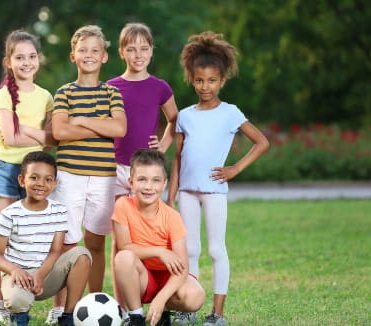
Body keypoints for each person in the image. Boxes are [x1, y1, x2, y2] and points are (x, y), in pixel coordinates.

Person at [167, 31, 270, 326]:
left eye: (212, 81)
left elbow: (262, 142)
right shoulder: (185, 115)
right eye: (199, 80)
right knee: (190, 249)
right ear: (191, 78)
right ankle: (189, 307)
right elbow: (177, 158)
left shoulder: (230, 113)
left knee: (215, 249)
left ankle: (218, 314)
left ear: (222, 81)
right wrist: (170, 195)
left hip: (214, 191)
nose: (205, 86)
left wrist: (234, 170)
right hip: (186, 191)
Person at [46, 25, 127, 323]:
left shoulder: (112, 93)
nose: (89, 55)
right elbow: (58, 131)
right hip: (70, 175)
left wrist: (79, 121)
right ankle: (61, 307)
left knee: (95, 243)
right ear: (73, 56)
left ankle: (96, 303)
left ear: (105, 56)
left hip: (104, 177)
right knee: (67, 243)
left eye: (95, 50)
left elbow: (119, 128)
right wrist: (96, 122)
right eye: (83, 50)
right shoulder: (64, 92)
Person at [0, 29, 57, 324]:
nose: (26, 62)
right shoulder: (4, 94)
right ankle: (0, 302)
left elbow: (54, 139)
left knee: (31, 237)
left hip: (33, 170)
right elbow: (11, 140)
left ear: (39, 59)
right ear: (8, 61)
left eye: (32, 56)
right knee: (5, 238)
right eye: (19, 57)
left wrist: (28, 133)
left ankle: (21, 297)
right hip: (4, 169)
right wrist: (38, 137)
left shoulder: (46, 96)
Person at [0, 151, 92, 326]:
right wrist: (15, 270)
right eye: (34, 178)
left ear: (54, 183)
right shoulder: (9, 214)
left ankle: (68, 316)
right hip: (18, 276)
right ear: (22, 180)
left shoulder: (59, 211)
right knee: (16, 300)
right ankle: (20, 316)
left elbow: (55, 251)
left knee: (82, 255)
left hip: (47, 275)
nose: (41, 184)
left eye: (47, 179)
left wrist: (40, 274)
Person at [113, 149, 205, 326]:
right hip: (141, 277)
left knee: (196, 297)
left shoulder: (172, 217)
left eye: (156, 180)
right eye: (142, 179)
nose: (149, 187)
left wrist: (161, 299)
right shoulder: (123, 205)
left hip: (167, 278)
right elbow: (125, 246)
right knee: (123, 257)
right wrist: (159, 251)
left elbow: (182, 267)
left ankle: (162, 311)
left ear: (164, 184)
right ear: (131, 182)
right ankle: (136, 316)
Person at [107, 22, 178, 198]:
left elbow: (175, 119)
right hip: (116, 167)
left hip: (146, 166)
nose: (138, 55)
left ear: (152, 51)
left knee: (142, 221)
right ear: (121, 53)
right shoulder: (110, 87)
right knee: (118, 220)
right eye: (131, 49)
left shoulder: (159, 87)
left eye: (144, 48)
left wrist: (163, 146)